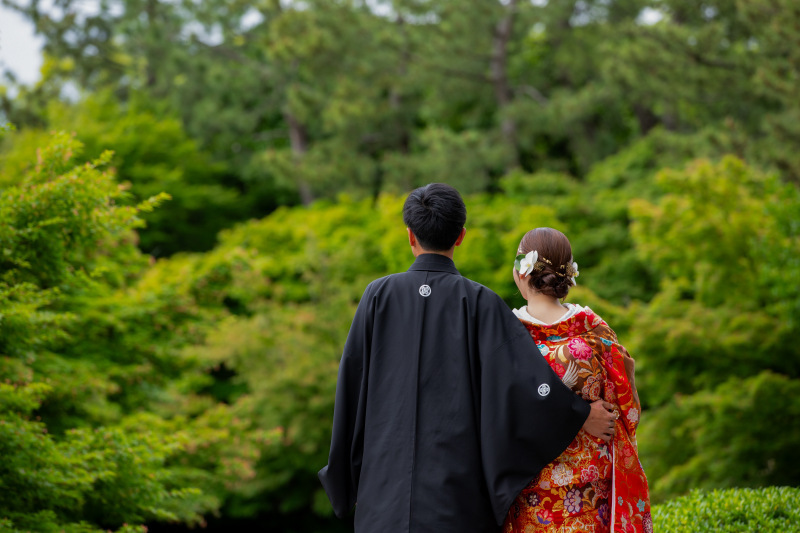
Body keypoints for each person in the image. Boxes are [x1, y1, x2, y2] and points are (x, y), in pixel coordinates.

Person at [318, 184, 617, 533]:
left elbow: (351, 391)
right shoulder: (480, 303)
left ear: (410, 235)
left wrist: (345, 478)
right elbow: (525, 386)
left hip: (383, 500)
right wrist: (579, 414)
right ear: (460, 236)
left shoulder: (377, 296)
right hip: (455, 502)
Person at [502, 227, 651, 533]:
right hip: (591, 493)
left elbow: (499, 416)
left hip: (531, 493)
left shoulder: (506, 338)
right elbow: (628, 410)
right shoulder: (596, 332)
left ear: (521, 272)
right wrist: (586, 417)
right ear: (567, 276)